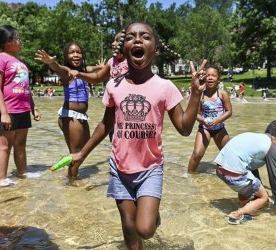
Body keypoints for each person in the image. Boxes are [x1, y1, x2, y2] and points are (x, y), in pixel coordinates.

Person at [67, 21, 207, 249]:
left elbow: (184, 128)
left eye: (145, 37)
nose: (138, 40)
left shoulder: (165, 87)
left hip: (150, 169)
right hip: (119, 168)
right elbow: (105, 124)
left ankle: (152, 214)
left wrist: (194, 95)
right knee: (129, 227)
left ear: (156, 49)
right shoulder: (114, 86)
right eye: (131, 37)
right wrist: (82, 153)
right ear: (124, 50)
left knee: (145, 229)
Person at [35, 42, 103, 185]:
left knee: (84, 149)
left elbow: (94, 68)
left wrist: (102, 66)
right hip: (70, 116)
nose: (76, 55)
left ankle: (68, 171)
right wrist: (51, 63)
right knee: (76, 152)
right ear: (66, 56)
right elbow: (58, 68)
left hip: (81, 116)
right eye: (71, 53)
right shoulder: (67, 72)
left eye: (78, 52)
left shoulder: (85, 70)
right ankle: (72, 180)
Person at [0, 25, 41, 187]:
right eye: (18, 38)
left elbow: (26, 88)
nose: (21, 42)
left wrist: (33, 107)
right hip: (8, 109)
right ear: (8, 42)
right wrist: (3, 113)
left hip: (23, 109)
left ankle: (22, 172)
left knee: (21, 144)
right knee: (5, 146)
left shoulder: (21, 62)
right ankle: (2, 178)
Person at [214, 119, 276, 225]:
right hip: (236, 173)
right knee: (264, 197)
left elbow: (251, 166)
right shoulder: (271, 147)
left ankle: (246, 209)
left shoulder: (256, 138)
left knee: (249, 186)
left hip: (220, 168)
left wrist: (259, 187)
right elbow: (274, 177)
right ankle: (237, 213)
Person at [188, 65, 232, 173]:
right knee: (197, 154)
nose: (210, 78)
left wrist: (218, 120)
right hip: (205, 128)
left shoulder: (222, 94)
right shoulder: (201, 95)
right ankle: (189, 174)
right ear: (204, 78)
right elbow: (196, 114)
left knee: (230, 154)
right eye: (208, 75)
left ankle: (232, 175)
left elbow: (229, 111)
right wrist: (203, 121)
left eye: (214, 75)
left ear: (218, 79)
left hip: (219, 128)